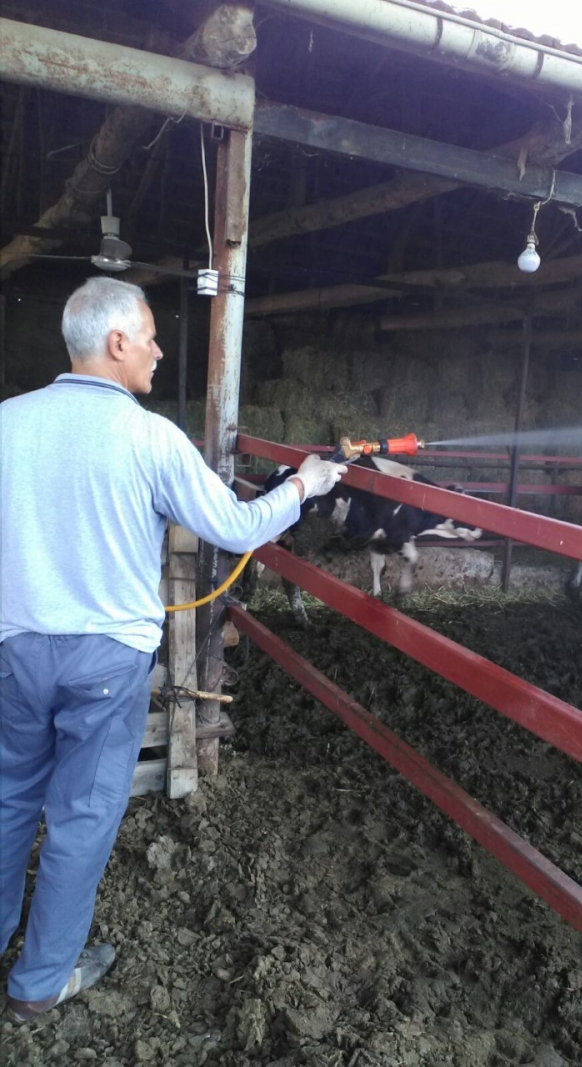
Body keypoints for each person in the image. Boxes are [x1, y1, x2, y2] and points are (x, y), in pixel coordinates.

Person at [0, 276, 347, 1023]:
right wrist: (304, 485)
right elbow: (234, 527)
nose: (160, 349)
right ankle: (39, 981)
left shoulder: (6, 423)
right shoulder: (150, 435)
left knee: (5, 801)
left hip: (15, 649)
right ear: (116, 342)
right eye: (151, 335)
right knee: (82, 817)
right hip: (105, 663)